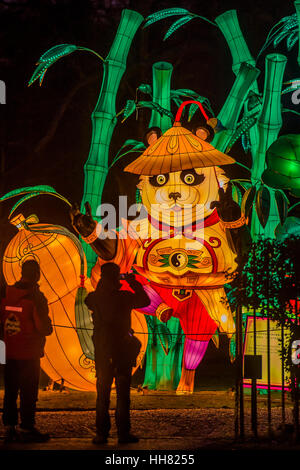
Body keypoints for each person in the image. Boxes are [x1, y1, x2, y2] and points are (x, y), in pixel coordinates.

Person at [85, 262, 150, 445]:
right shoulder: (124, 297)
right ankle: (123, 433)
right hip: (122, 350)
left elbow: (88, 300)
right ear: (116, 278)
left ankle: (101, 434)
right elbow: (145, 301)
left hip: (103, 351)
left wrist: (102, 288)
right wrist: (133, 283)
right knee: (123, 395)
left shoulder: (95, 298)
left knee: (103, 394)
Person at [0, 259, 53, 443]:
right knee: (29, 393)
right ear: (37, 274)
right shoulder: (36, 297)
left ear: (21, 272)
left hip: (8, 352)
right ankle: (27, 427)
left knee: (10, 391)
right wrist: (48, 327)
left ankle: (9, 427)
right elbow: (43, 327)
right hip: (29, 353)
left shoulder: (6, 292)